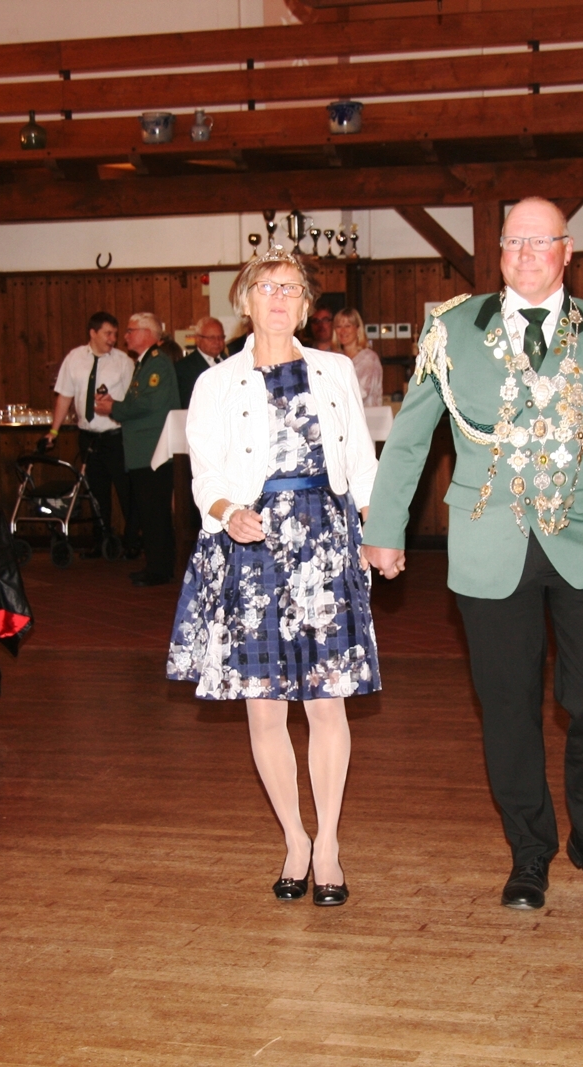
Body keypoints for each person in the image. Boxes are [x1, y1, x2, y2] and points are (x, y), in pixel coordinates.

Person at [363, 197, 583, 917]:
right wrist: (384, 527)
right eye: (515, 242)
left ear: (567, 251)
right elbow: (411, 435)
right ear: (500, 251)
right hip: (489, 541)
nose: (527, 254)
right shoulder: (452, 328)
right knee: (507, 705)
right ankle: (528, 849)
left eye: (543, 242)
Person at [167, 252, 379, 907]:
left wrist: (375, 532)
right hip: (251, 545)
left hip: (325, 542)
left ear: (306, 305)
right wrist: (226, 512)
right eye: (266, 287)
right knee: (264, 706)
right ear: (246, 301)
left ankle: (330, 844)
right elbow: (205, 475)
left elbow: (361, 463)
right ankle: (294, 838)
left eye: (290, 288)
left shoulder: (335, 370)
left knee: (326, 700)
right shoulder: (216, 383)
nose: (279, 297)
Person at [96, 312, 179, 586]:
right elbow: (140, 401)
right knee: (150, 511)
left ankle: (159, 569)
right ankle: (157, 565)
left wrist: (114, 408)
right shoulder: (145, 363)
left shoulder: (157, 364)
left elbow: (148, 404)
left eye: (131, 331)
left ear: (147, 334)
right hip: (145, 450)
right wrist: (116, 405)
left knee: (154, 512)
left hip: (152, 450)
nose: (126, 336)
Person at [46, 312, 136, 558]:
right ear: (93, 333)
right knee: (96, 493)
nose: (113, 339)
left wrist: (114, 404)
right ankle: (102, 541)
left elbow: (132, 401)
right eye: (108, 333)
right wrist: (53, 431)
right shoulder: (74, 358)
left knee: (126, 491)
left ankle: (132, 542)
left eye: (115, 334)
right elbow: (64, 396)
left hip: (116, 436)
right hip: (88, 436)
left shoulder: (123, 362)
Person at [332, 307, 384, 407]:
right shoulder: (335, 358)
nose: (343, 331)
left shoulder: (369, 358)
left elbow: (361, 393)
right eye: (338, 326)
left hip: (367, 415)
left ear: (358, 329)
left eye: (347, 326)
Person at [175, 316, 226, 408]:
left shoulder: (231, 361)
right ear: (198, 339)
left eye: (221, 337)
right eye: (211, 338)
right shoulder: (184, 367)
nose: (217, 342)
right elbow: (187, 402)